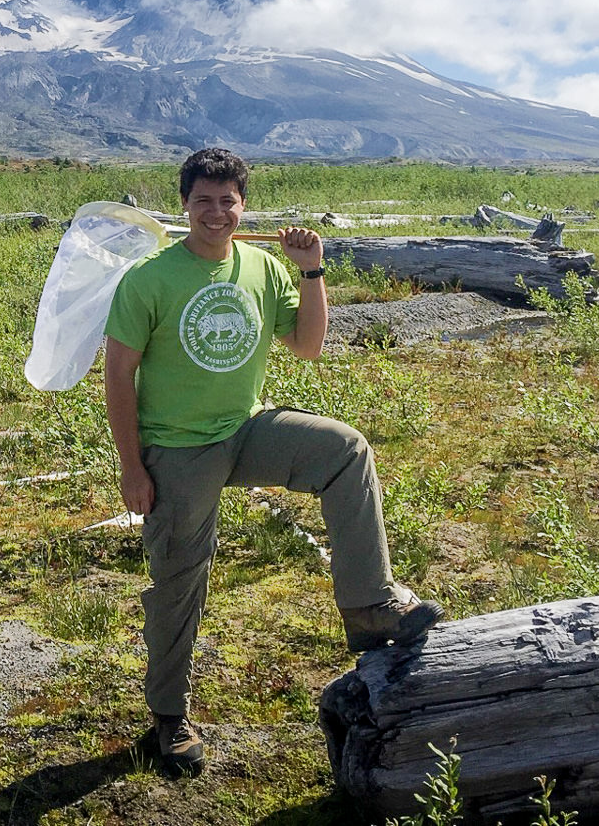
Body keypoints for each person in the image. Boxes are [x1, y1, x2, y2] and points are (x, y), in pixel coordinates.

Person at [103, 147, 444, 776]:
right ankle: (168, 719)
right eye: (203, 200)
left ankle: (369, 605)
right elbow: (118, 377)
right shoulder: (149, 279)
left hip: (246, 427)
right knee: (181, 580)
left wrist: (311, 270)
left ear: (244, 205)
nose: (215, 212)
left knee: (344, 451)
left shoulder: (263, 267)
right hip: (176, 447)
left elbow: (309, 346)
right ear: (185, 204)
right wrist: (133, 466)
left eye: (227, 201)